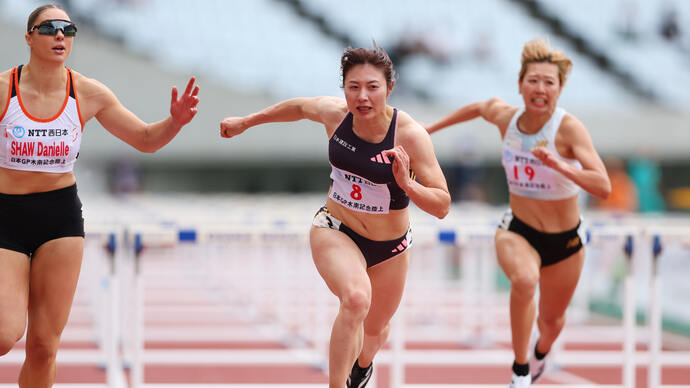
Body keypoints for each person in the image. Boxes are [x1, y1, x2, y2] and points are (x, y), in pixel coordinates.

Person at [220, 45, 450, 388]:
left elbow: (442, 205)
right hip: (336, 228)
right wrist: (246, 122)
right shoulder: (335, 114)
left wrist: (406, 184)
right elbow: (298, 107)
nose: (363, 96)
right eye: (353, 86)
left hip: (391, 247)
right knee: (356, 299)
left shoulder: (410, 136)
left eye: (372, 87)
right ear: (343, 88)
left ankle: (363, 366)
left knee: (375, 330)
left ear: (389, 88)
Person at [0, 4, 199, 387]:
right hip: (6, 215)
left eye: (68, 29)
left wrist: (174, 121)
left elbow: (144, 139)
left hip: (59, 218)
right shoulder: (5, 89)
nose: (61, 35)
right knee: (5, 333)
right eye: (50, 28)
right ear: (28, 37)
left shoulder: (88, 93)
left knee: (43, 347)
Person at [426, 38, 611, 388]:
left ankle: (541, 351)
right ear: (520, 84)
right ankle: (521, 370)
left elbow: (602, 185)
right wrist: (426, 131)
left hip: (565, 241)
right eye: (533, 80)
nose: (540, 89)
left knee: (552, 321)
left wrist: (560, 165)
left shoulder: (568, 129)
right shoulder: (506, 118)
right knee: (524, 281)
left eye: (549, 82)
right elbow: (480, 108)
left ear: (559, 89)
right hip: (518, 229)